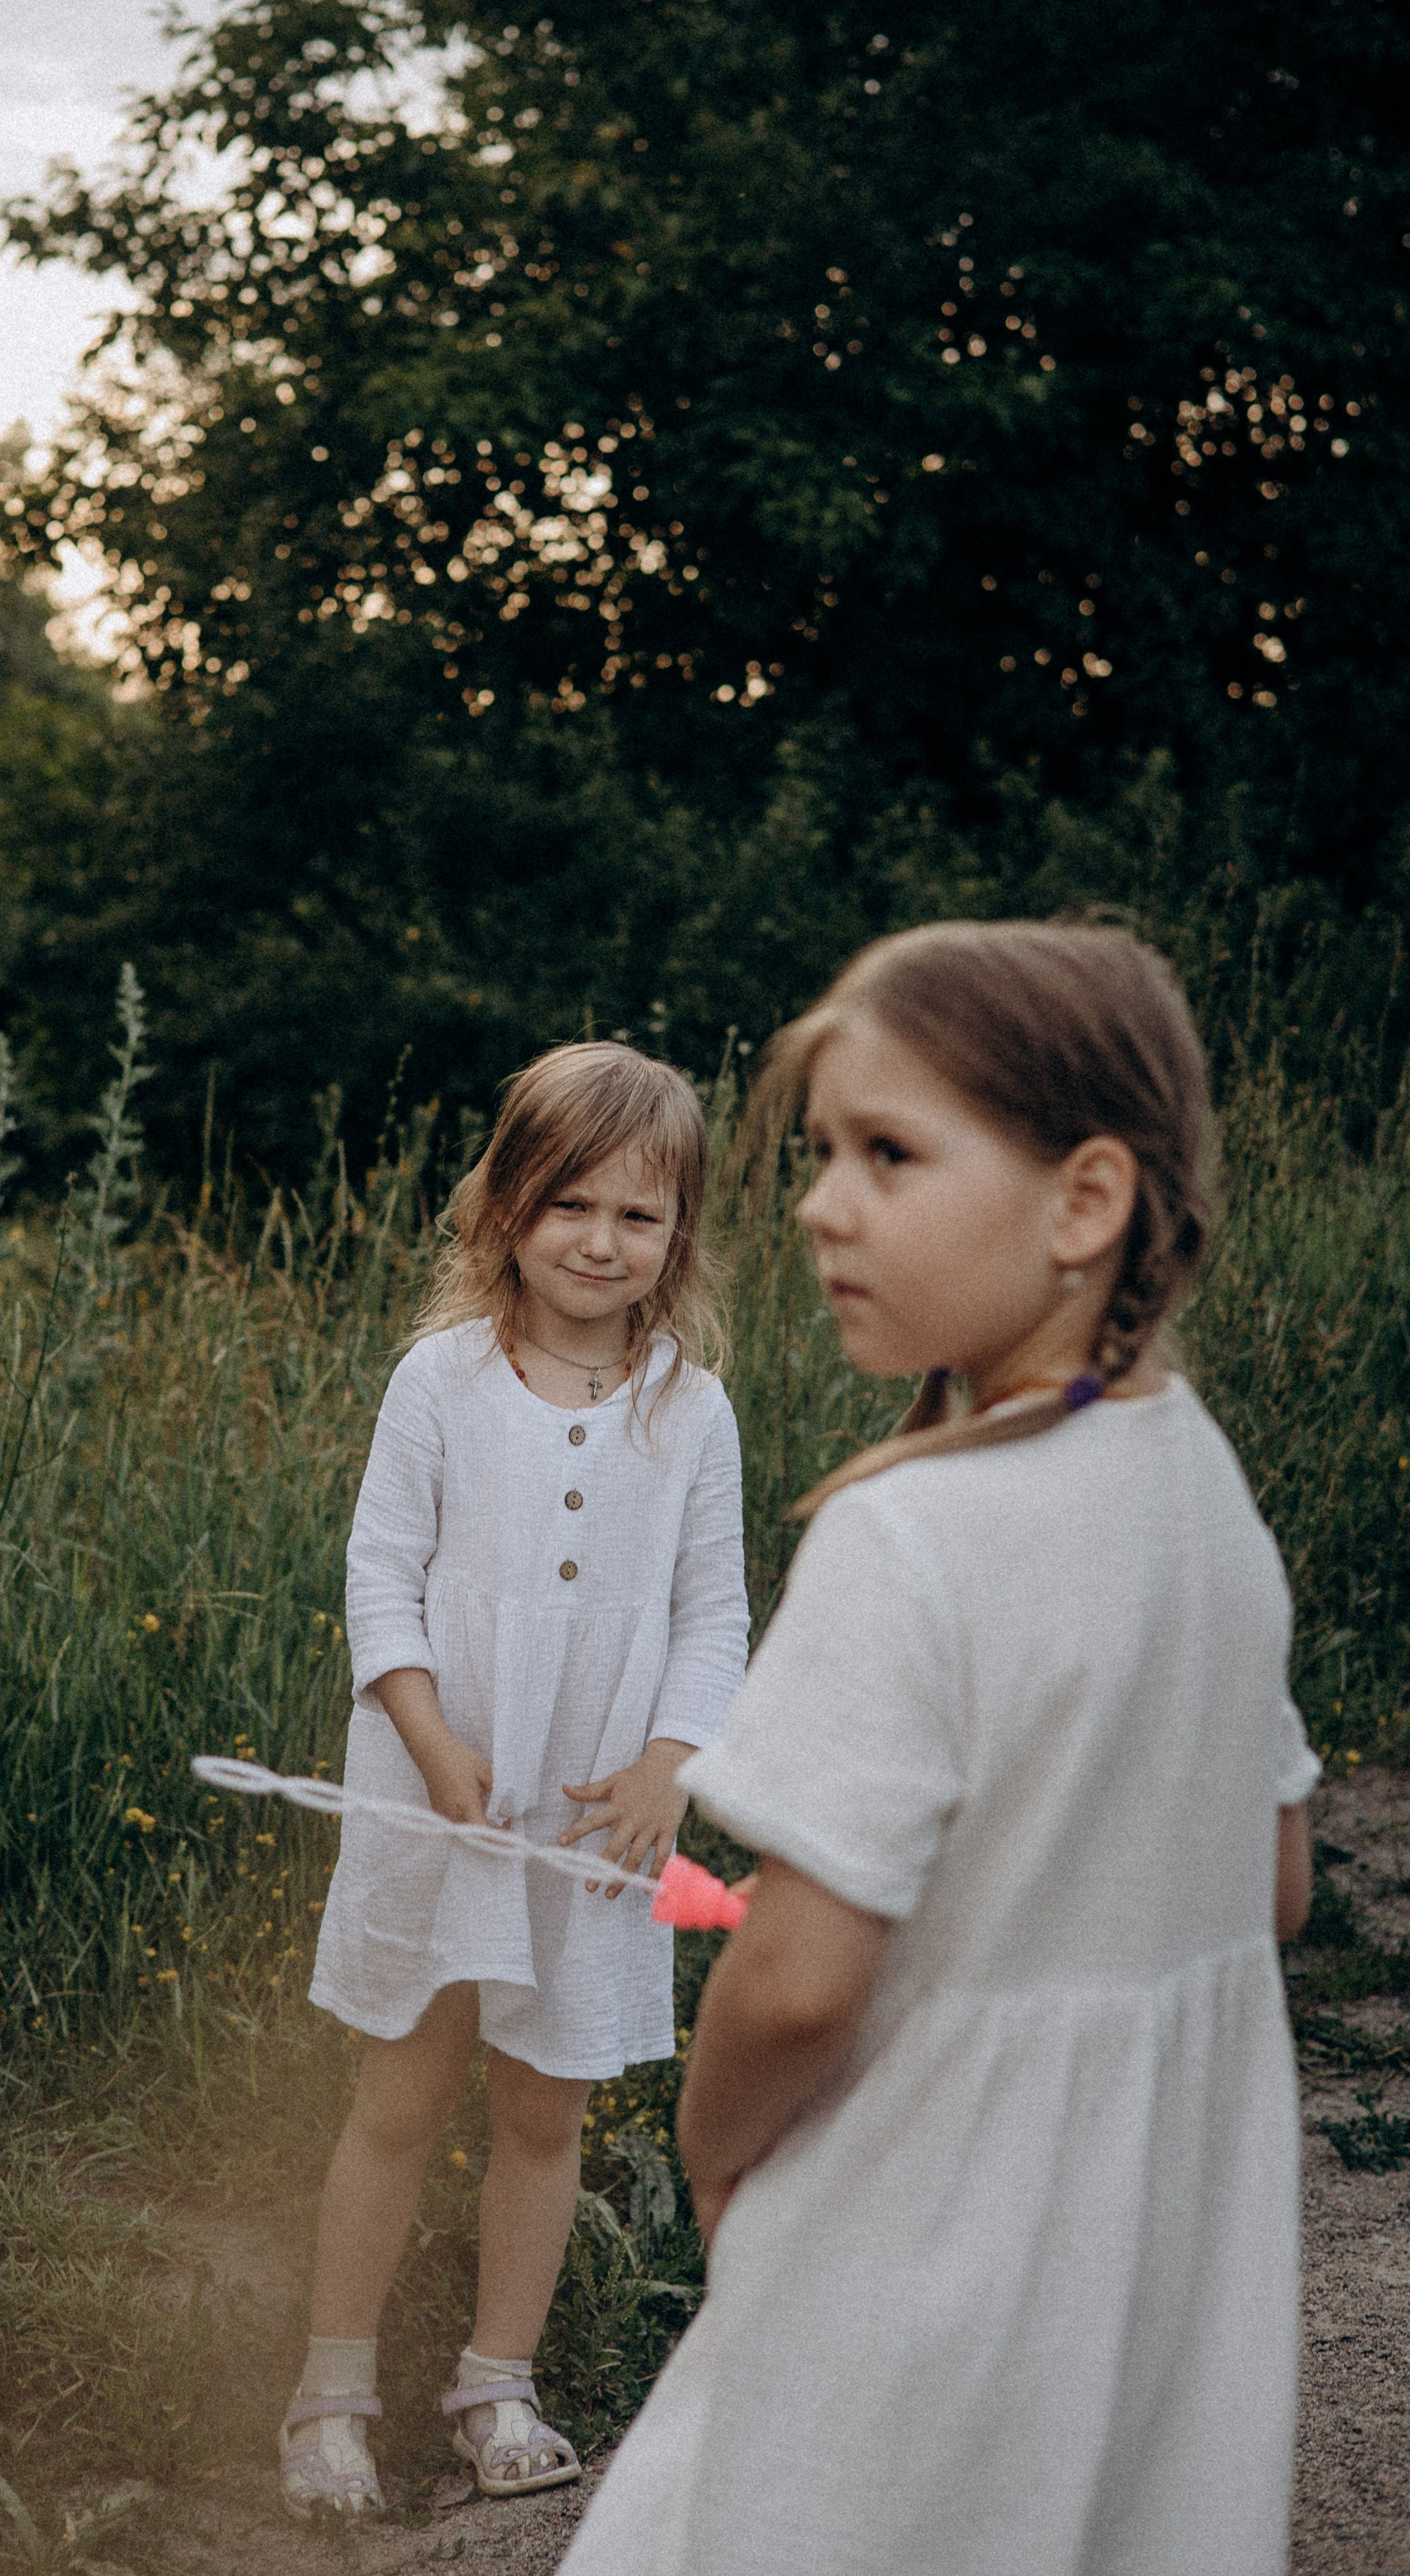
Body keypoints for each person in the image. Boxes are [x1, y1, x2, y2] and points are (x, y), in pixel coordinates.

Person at [561, 921, 1318, 2576]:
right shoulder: (1199, 1485)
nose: (823, 1203)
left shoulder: (909, 1540)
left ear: (1082, 1201)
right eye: (822, 1154)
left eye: (889, 1154)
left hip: (916, 2245)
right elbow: (1272, 1883)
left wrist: (712, 2160)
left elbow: (801, 1981)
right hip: (1154, 2253)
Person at [282, 1042, 751, 2521]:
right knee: (400, 2096)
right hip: (441, 1803)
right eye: (570, 1206)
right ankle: (330, 2392)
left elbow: (711, 1616)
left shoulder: (690, 1411)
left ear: (677, 1233)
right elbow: (380, 1585)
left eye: (638, 1214)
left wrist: (667, 1771)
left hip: (588, 1824)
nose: (601, 1242)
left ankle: (495, 2381)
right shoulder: (438, 1381)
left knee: (543, 2112)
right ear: (503, 1207)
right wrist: (428, 1744)